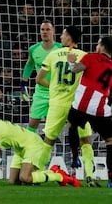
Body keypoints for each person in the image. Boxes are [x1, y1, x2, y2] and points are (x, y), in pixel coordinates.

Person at [0, 107, 80, 187]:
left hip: (32, 143)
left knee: (25, 178)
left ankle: (58, 175)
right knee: (13, 182)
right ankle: (50, 172)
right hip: (20, 149)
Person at [36, 26, 93, 179]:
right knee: (85, 140)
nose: (60, 37)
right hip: (78, 105)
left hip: (57, 104)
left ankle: (38, 172)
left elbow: (38, 79)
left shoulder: (53, 55)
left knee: (48, 140)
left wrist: (54, 88)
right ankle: (89, 176)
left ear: (68, 38)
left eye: (62, 34)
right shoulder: (85, 56)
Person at [67, 35, 112, 188]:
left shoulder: (91, 57)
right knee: (110, 141)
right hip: (100, 109)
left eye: (98, 44)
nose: (96, 46)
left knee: (72, 126)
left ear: (103, 47)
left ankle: (74, 157)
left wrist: (71, 61)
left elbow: (74, 69)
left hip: (81, 105)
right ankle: (111, 178)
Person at [21, 20, 62, 133]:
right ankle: (29, 146)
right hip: (41, 92)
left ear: (53, 31)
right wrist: (23, 83)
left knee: (52, 124)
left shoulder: (61, 48)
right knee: (33, 122)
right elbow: (29, 64)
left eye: (48, 29)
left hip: (57, 91)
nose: (45, 32)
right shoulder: (33, 49)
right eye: (42, 29)